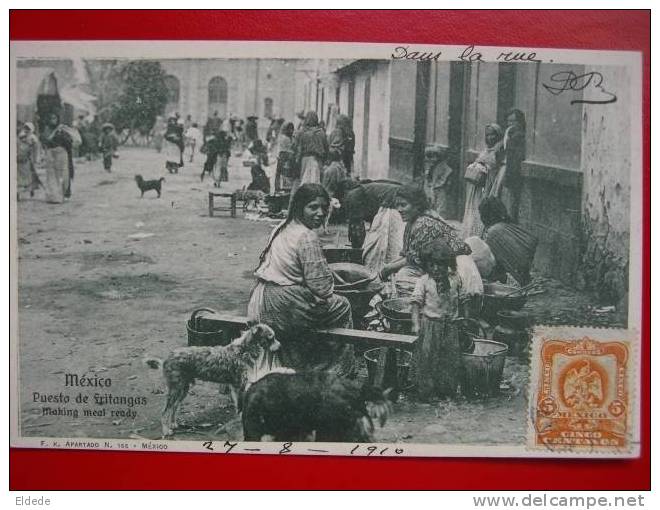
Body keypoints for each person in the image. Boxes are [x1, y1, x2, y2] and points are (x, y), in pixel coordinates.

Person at [247, 183, 354, 374]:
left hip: (262, 298)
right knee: (343, 305)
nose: (320, 213)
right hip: (283, 304)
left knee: (314, 304)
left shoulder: (282, 227)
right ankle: (335, 371)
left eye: (323, 207)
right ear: (299, 207)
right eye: (313, 207)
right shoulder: (307, 236)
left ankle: (302, 363)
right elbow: (322, 288)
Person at [379, 185, 482, 304]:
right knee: (402, 274)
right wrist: (387, 267)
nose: (399, 209)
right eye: (397, 205)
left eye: (403, 205)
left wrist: (388, 269)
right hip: (439, 264)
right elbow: (407, 255)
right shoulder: (411, 223)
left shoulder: (423, 223)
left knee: (405, 279)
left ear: (417, 205)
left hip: (456, 267)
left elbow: (413, 259)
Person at [411, 239, 468, 400]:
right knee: (428, 358)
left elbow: (463, 300)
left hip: (451, 326)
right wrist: (415, 324)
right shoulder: (424, 281)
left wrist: (465, 319)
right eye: (431, 265)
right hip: (430, 326)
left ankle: (446, 390)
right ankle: (427, 392)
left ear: (447, 264)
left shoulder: (455, 279)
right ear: (426, 266)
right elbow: (415, 303)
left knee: (449, 359)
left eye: (440, 265)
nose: (436, 269)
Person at [344, 179, 404, 274]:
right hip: (389, 201)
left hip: (389, 202)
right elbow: (358, 226)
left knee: (381, 239)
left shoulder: (355, 194)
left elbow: (358, 227)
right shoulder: (360, 193)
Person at [479, 196, 538, 286]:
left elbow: (491, 259)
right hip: (523, 267)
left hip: (516, 273)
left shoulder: (494, 232)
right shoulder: (505, 225)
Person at [461, 123, 505, 238]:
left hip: (489, 185)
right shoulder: (486, 150)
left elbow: (497, 169)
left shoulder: (499, 150)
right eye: (487, 135)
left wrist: (485, 168)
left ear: (498, 135)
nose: (490, 137)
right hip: (478, 186)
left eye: (493, 135)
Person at [40, 112, 75, 204]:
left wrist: (63, 136)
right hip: (51, 154)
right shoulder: (47, 130)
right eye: (51, 118)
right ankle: (54, 196)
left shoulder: (62, 129)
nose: (53, 120)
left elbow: (70, 141)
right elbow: (45, 141)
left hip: (61, 153)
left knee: (63, 174)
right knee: (51, 175)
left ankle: (63, 194)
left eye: (55, 118)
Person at [502, 109, 527, 223]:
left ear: (520, 121)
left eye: (513, 121)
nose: (510, 124)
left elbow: (515, 156)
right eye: (509, 121)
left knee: (512, 203)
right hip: (509, 171)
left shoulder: (518, 135)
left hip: (514, 172)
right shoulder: (509, 134)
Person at [294, 111, 328, 186]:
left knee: (304, 181)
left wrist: (297, 161)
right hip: (318, 160)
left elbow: (297, 148)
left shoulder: (302, 132)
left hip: (305, 160)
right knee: (317, 181)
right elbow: (326, 148)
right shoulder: (321, 132)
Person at [424, 145, 454, 218]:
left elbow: (446, 176)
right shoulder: (430, 166)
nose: (432, 160)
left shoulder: (444, 167)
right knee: (431, 202)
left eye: (434, 157)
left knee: (440, 204)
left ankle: (440, 217)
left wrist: (438, 184)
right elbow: (428, 177)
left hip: (440, 188)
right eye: (429, 157)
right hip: (431, 187)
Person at [17, 122, 41, 198]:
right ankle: (18, 191)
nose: (27, 130)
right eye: (26, 128)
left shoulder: (33, 137)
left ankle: (31, 189)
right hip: (22, 156)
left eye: (28, 128)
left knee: (32, 173)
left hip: (30, 157)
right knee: (20, 175)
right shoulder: (22, 135)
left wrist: (36, 157)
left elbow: (36, 148)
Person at [274, 121, 296, 191]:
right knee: (283, 174)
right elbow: (288, 149)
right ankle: (281, 188)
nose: (291, 131)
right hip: (284, 156)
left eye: (292, 129)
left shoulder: (290, 138)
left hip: (286, 157)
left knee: (283, 174)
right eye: (289, 129)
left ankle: (281, 188)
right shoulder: (284, 138)